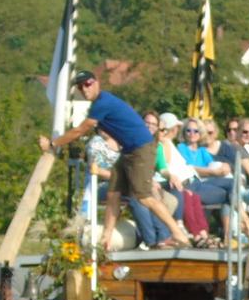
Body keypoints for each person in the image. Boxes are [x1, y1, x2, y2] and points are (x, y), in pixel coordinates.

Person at [39, 71, 192, 250]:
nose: (84, 89)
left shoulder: (103, 102)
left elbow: (80, 130)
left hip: (140, 149)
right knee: (113, 193)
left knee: (144, 197)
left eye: (87, 84)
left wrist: (53, 143)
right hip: (129, 151)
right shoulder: (99, 104)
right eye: (80, 86)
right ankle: (106, 239)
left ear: (96, 83)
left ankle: (178, 233)